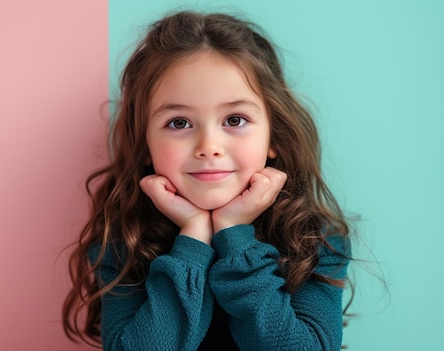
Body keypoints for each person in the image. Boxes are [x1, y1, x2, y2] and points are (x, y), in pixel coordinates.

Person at [62, 10, 351, 351]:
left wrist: (233, 235)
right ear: (144, 144)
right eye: (179, 123)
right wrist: (194, 241)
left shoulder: (314, 240)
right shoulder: (124, 241)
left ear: (274, 136)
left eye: (234, 119)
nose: (208, 147)